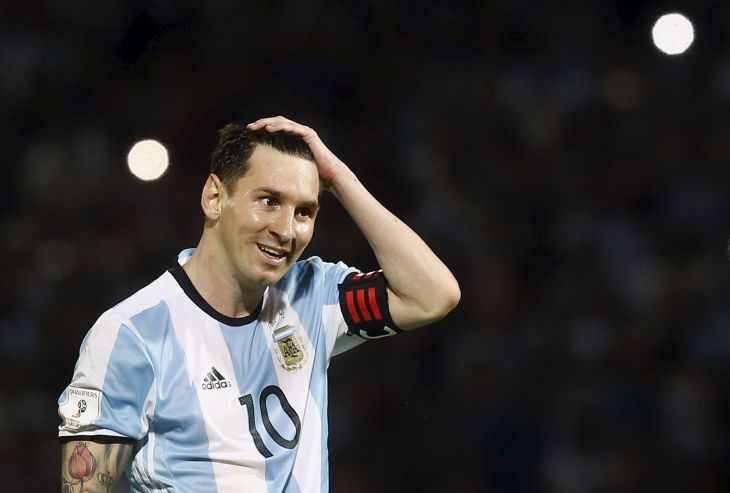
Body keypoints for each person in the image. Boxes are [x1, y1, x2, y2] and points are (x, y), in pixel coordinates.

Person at [57, 116, 460, 492]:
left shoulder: (313, 297)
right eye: (268, 201)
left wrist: (338, 178)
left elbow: (432, 296)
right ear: (215, 197)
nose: (285, 230)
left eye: (304, 211)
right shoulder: (131, 334)